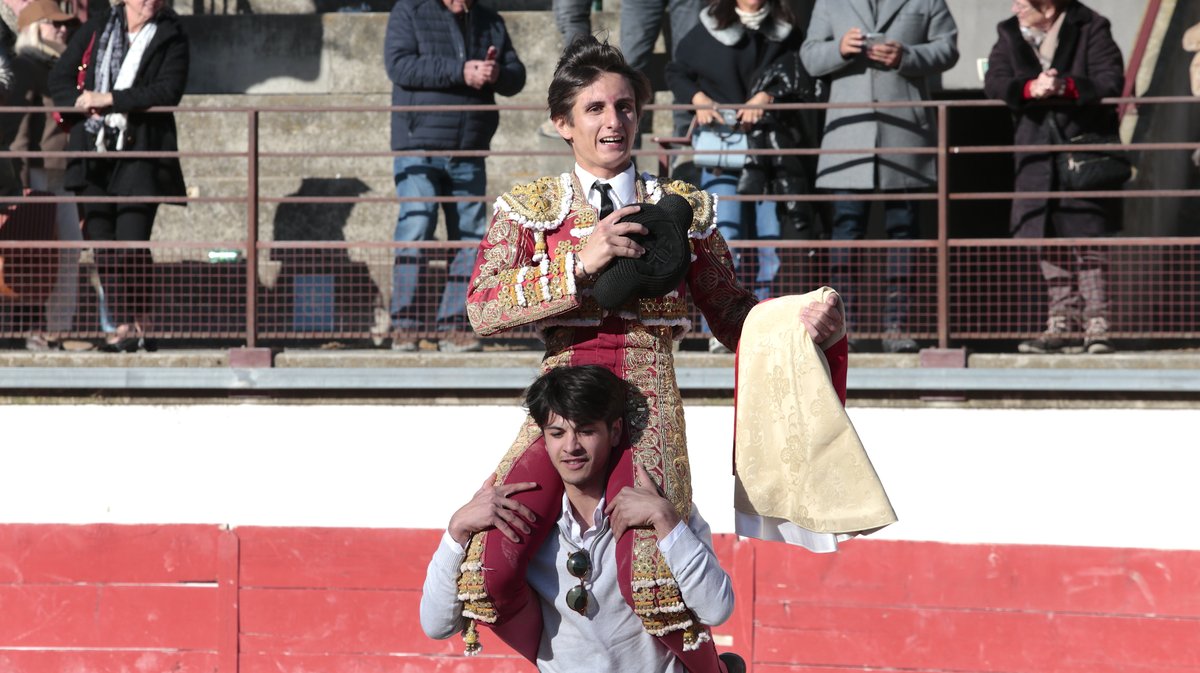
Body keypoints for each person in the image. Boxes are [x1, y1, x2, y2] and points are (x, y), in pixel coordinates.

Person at [457, 35, 844, 672]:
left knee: (652, 573)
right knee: (488, 568)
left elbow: (732, 314)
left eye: (626, 106)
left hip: (647, 400)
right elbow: (483, 308)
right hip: (564, 400)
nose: (614, 121)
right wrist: (579, 262)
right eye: (595, 110)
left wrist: (793, 319)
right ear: (562, 123)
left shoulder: (683, 209)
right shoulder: (528, 211)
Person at [420, 364, 744, 673]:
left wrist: (666, 521)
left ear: (615, 431)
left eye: (586, 431)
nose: (571, 447)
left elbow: (717, 609)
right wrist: (456, 531)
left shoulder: (660, 509)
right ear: (543, 439)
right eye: (557, 433)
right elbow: (436, 626)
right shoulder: (525, 523)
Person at [801, 0, 959, 353]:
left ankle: (897, 327)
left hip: (906, 135)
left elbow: (948, 49)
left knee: (904, 236)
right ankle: (843, 330)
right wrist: (839, 49)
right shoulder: (830, 2)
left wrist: (907, 56)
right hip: (848, 137)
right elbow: (810, 56)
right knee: (845, 235)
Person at [383, 0, 526, 353]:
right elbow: (399, 65)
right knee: (416, 228)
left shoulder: (490, 19)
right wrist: (461, 72)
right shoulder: (410, 10)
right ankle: (403, 325)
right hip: (419, 143)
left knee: (469, 238)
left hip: (469, 147)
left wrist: (497, 75)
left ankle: (454, 325)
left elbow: (516, 75)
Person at [48, 0, 189, 353]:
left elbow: (167, 90)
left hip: (140, 155)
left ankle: (142, 322)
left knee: (131, 242)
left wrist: (110, 98)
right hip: (92, 153)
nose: (149, 2)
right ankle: (123, 325)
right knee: (104, 248)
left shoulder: (171, 35)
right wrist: (83, 103)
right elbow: (60, 79)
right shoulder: (95, 29)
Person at [984, 0, 1123, 354]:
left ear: (1045, 6)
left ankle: (1097, 323)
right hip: (1035, 155)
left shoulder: (1091, 25)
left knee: (1088, 238)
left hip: (1082, 154)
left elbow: (1111, 79)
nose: (1014, 7)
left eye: (1022, 2)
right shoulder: (1009, 32)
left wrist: (1066, 88)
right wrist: (1029, 89)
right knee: (1046, 238)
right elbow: (995, 81)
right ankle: (1060, 322)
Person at [666, 0, 803, 352]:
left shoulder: (786, 30)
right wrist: (698, 99)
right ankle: (726, 329)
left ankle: (768, 324)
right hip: (721, 153)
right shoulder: (708, 26)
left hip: (770, 154)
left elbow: (803, 73)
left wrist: (768, 97)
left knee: (771, 244)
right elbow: (676, 71)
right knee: (726, 241)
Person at [3, 0, 82, 351]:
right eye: (54, 24)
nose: (63, 30)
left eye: (65, 25)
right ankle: (38, 328)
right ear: (35, 28)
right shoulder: (24, 66)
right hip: (35, 173)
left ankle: (55, 330)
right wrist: (18, 182)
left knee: (66, 249)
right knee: (33, 253)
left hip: (59, 171)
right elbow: (17, 126)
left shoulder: (58, 66)